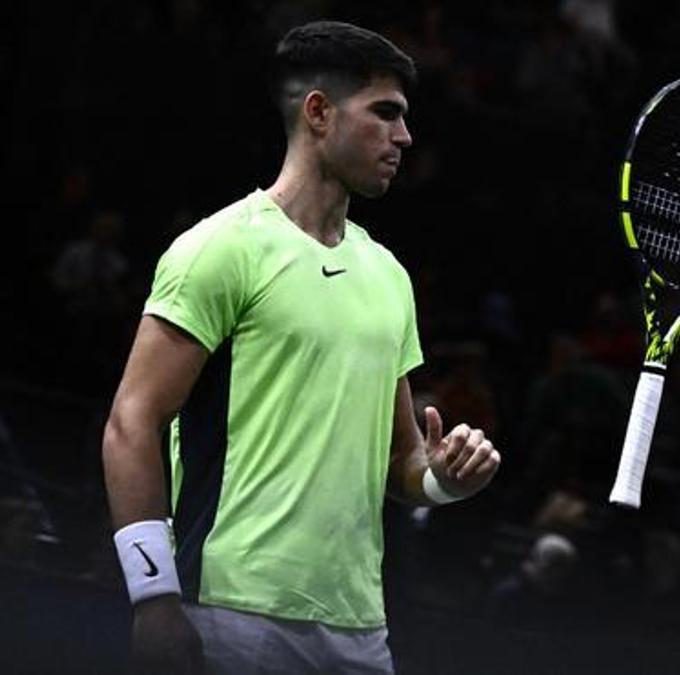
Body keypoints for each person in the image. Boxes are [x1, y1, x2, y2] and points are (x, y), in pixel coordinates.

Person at [100, 21, 501, 675]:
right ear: (318, 112)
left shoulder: (389, 277)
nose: (405, 137)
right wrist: (153, 597)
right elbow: (130, 422)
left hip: (360, 631)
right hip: (230, 613)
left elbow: (401, 464)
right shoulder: (222, 248)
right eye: (385, 113)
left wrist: (444, 481)